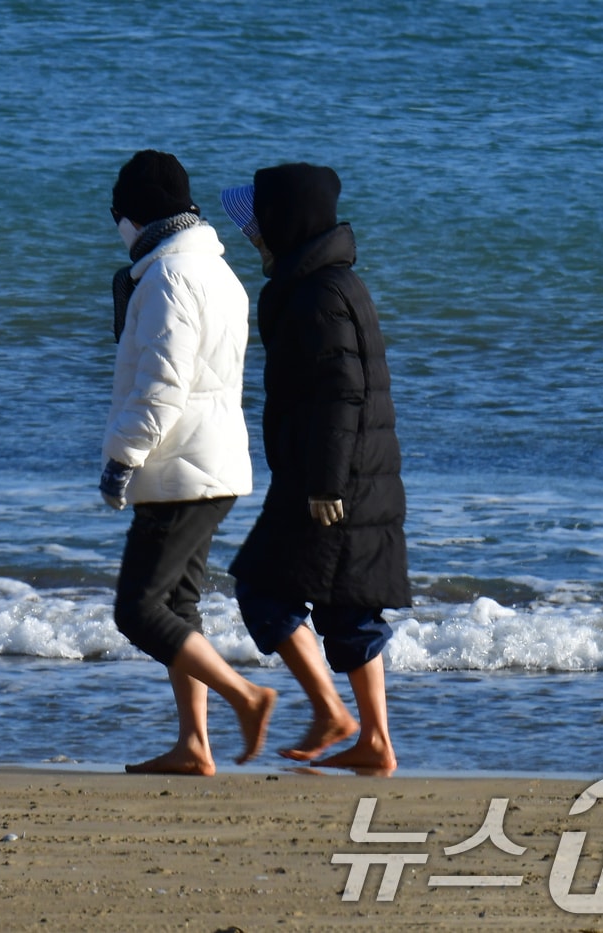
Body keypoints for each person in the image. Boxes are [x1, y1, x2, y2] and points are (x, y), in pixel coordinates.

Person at [219, 163, 410, 773]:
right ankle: (373, 740)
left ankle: (335, 714)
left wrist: (325, 483)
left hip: (330, 478)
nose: (253, 235)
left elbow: (341, 392)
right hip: (348, 472)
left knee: (261, 588)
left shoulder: (315, 295)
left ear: (287, 223)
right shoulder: (331, 283)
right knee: (347, 605)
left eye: (260, 223)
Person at [101, 149, 277, 776]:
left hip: (180, 466)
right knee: (178, 605)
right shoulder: (215, 271)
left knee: (138, 611)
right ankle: (195, 745)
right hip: (212, 460)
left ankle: (245, 696)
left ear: (136, 215)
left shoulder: (170, 276)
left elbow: (163, 384)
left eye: (117, 213)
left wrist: (123, 458)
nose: (115, 224)